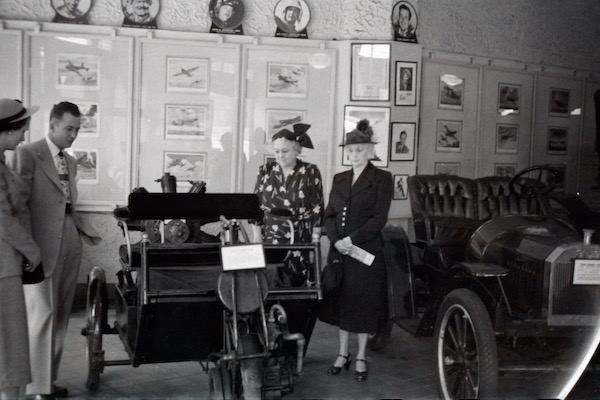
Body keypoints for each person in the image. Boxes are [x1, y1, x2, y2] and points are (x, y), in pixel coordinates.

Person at [14, 101, 101, 399]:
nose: (73, 135)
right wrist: (27, 249)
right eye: (68, 129)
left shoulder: (71, 161)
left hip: (69, 239)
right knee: (42, 314)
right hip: (40, 245)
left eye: (77, 130)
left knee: (62, 313)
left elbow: (66, 203)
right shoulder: (28, 154)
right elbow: (18, 206)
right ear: (51, 125)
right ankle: (37, 386)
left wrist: (80, 229)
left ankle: (49, 381)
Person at [321, 119, 392, 382]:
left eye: (360, 150)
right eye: (350, 150)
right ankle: (342, 354)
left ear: (371, 151)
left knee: (362, 304)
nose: (354, 155)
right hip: (340, 251)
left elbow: (378, 218)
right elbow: (328, 215)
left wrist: (351, 240)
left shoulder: (382, 179)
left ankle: (360, 355)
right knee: (342, 303)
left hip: (365, 252)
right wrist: (336, 241)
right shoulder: (340, 179)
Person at [0, 99, 42, 400]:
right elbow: (2, 217)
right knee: (10, 342)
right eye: (21, 131)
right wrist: (32, 250)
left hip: (7, 262)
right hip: (3, 265)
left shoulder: (2, 162)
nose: (25, 137)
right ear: (6, 130)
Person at [250, 123, 323, 286]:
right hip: (271, 236)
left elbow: (318, 209)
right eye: (276, 152)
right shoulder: (265, 170)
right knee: (270, 282)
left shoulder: (311, 171)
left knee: (298, 282)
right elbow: (256, 207)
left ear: (296, 149)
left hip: (301, 236)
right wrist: (256, 238)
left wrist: (315, 244)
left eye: (285, 151)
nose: (280, 155)